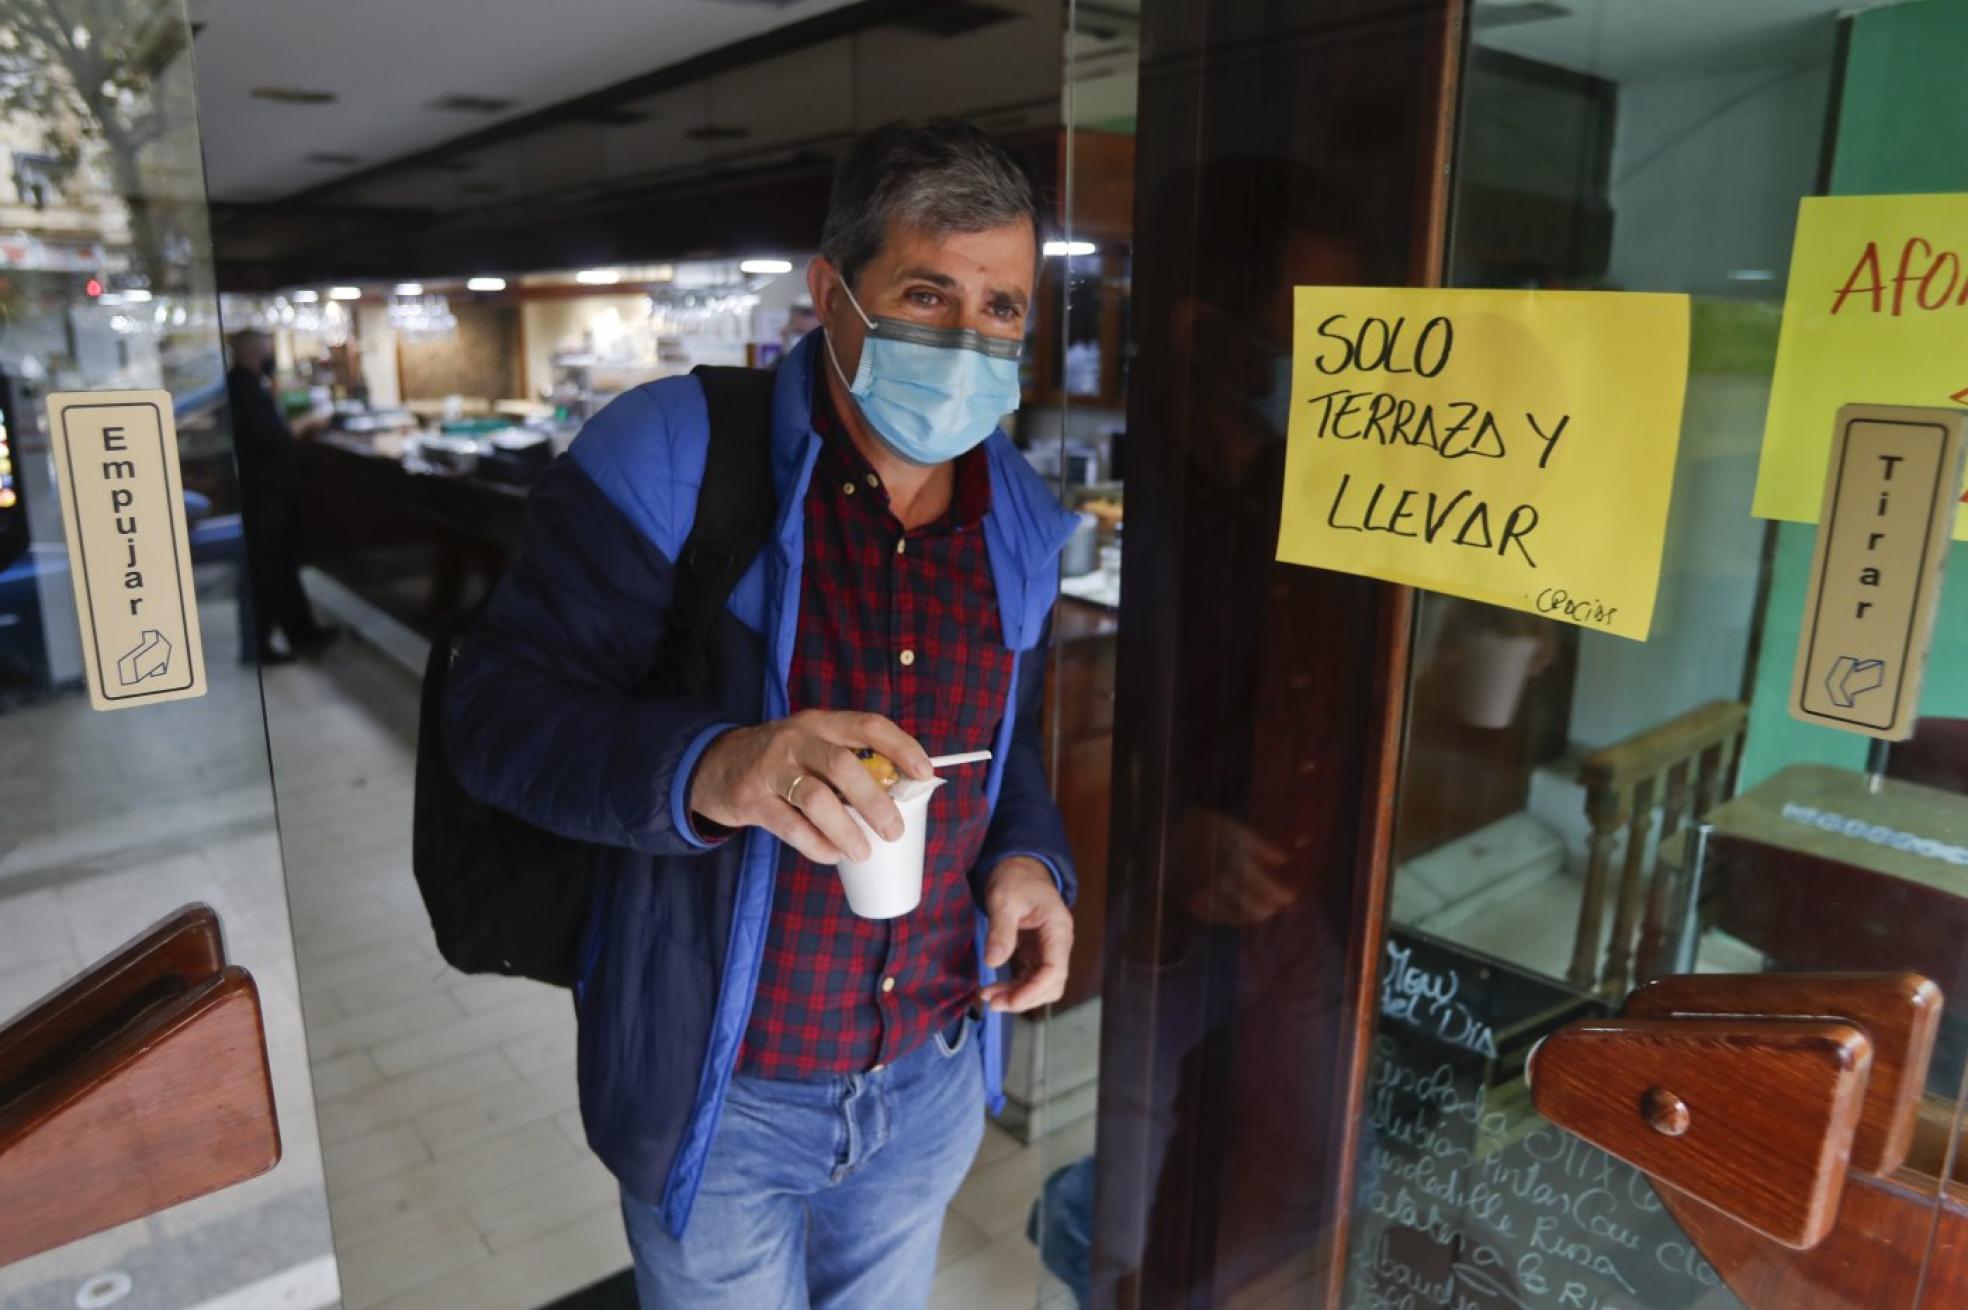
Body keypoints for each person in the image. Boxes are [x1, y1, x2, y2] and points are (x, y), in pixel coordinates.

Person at [445, 117, 1079, 1310]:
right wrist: (717, 763)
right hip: (724, 1086)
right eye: (927, 292)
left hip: (931, 1075)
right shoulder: (672, 454)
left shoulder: (1022, 519)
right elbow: (495, 713)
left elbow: (1010, 747)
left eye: (1002, 309)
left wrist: (1033, 860)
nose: (968, 338)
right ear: (830, 292)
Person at [225, 330, 336, 663]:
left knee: (282, 565)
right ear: (250, 352)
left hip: (271, 492)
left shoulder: (254, 384)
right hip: (260, 495)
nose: (271, 355)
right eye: (267, 350)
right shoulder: (242, 389)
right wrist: (308, 422)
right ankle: (259, 647)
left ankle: (302, 632)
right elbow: (270, 436)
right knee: (266, 570)